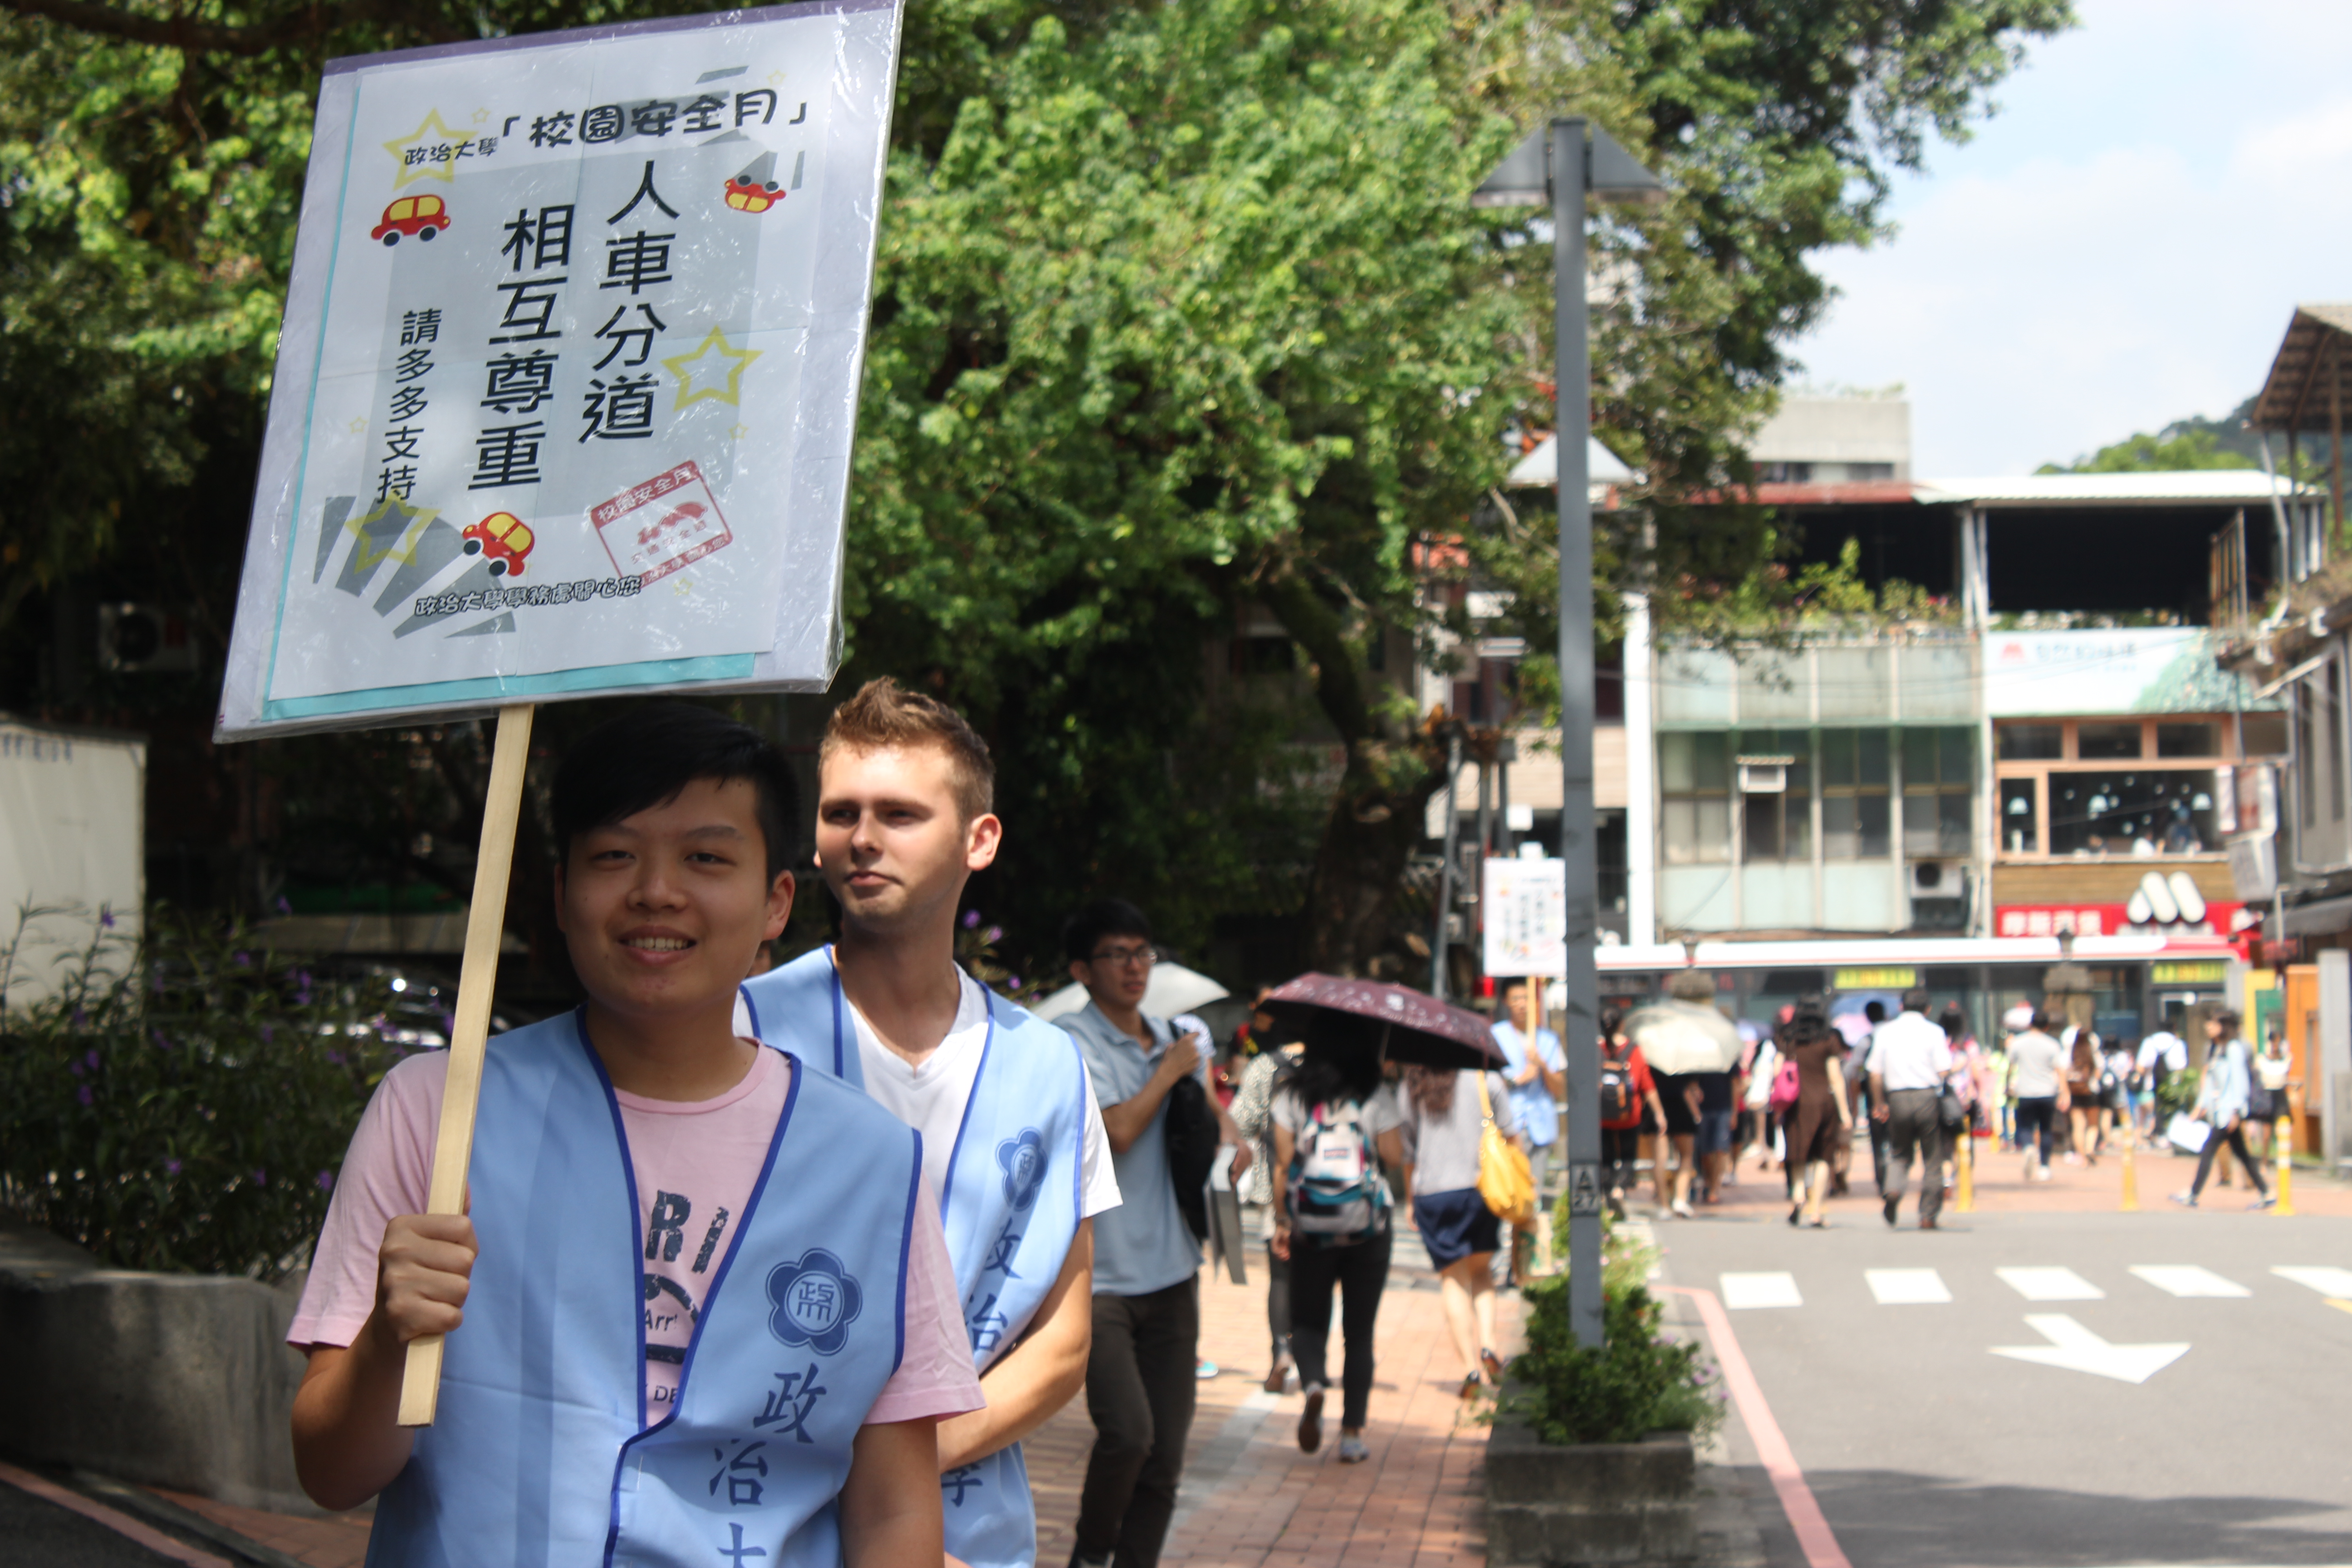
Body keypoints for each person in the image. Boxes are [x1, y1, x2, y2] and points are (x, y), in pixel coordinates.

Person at [287, 704, 980, 1565]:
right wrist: (388, 1341)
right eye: (614, 855)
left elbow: (891, 1512)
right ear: (560, 894)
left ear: (775, 902)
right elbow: (328, 1473)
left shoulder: (870, 1162)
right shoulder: (438, 1112)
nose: (656, 889)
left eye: (705, 857)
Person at [734, 680, 1118, 1568]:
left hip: (970, 1527)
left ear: (979, 839)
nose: (863, 839)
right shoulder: (741, 1032)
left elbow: (1063, 1347)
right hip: (763, 1516)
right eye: (842, 813)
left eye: (901, 813)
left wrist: (900, 1486)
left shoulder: (1047, 1068)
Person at [1057, 899, 1250, 1568]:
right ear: (1084, 969)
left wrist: (1234, 1143)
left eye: (1144, 952)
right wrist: (1168, 1072)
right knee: (1128, 1435)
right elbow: (1118, 1131)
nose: (1137, 967)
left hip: (1173, 1269)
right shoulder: (1072, 1043)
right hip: (1101, 1277)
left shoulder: (1175, 1036)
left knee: (1166, 1455)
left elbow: (1211, 1119)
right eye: (1118, 954)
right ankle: (1090, 1554)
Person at [1269, 1029, 1406, 1465]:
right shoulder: (1374, 1095)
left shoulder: (1292, 1096)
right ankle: (1351, 1436)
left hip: (1312, 1227)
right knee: (1359, 1332)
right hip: (1368, 1228)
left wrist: (1282, 1221)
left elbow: (1283, 1165)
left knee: (1308, 1321)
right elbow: (1396, 1156)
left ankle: (1312, 1385)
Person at [1397, 1061, 1518, 1396]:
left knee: (1452, 1279)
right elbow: (1511, 1135)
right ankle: (1489, 1345)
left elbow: (1408, 1149)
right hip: (1481, 1189)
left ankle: (1471, 1370)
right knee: (1482, 1272)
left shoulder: (1412, 1084)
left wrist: (1410, 1199)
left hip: (1433, 1193)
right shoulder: (1488, 1080)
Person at [1230, 1031, 1305, 1392]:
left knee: (1281, 1278)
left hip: (1276, 1187)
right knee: (1317, 1281)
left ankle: (1281, 1352)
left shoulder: (1264, 1066)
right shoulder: (1336, 1064)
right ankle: (1312, 1362)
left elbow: (1240, 1122)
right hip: (1333, 1192)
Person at [1491, 979, 1564, 1280]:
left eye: (1527, 997)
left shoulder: (1548, 1040)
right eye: (1516, 998)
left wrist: (1543, 1066)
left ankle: (1522, 1264)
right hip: (1506, 1129)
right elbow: (1487, 1082)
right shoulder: (1495, 1037)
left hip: (1539, 1129)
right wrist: (1517, 1079)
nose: (1522, 1003)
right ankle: (1499, 1261)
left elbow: (1559, 1089)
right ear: (1507, 1002)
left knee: (1530, 1198)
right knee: (1504, 1195)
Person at [1865, 989, 1953, 1230]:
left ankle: (1893, 1190)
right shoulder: (1935, 1032)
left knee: (1899, 1153)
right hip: (1927, 1098)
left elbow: (1874, 1073)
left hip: (1897, 1098)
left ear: (1901, 1007)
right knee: (1933, 1159)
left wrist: (1879, 1102)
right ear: (1928, 1009)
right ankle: (1928, 1215)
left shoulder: (1885, 1032)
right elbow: (1944, 1069)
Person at [2172, 1011, 2273, 1210]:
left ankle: (2193, 1193)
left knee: (2209, 1150)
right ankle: (2266, 1192)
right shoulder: (2216, 1049)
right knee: (2242, 1154)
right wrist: (2199, 1108)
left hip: (2228, 1114)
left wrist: (2236, 1112)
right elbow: (2210, 1083)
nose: (2208, 1027)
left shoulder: (2233, 1049)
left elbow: (2240, 1082)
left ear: (2223, 1027)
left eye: (2212, 1023)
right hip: (2219, 1113)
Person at [1779, 995, 1852, 1228]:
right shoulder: (1828, 1039)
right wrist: (1845, 1112)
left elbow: (1777, 1070)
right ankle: (1816, 1210)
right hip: (1824, 1103)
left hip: (1796, 1103)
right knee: (1823, 1156)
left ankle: (1798, 1195)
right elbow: (1836, 1077)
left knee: (1798, 1153)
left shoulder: (1788, 1039)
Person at [1597, 1009, 1666, 1218]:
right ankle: (1621, 1189)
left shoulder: (1596, 1050)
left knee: (1606, 1157)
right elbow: (1647, 1084)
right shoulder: (1633, 1050)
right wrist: (1659, 1113)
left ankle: (1608, 1191)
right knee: (1628, 1156)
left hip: (1602, 1116)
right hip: (1629, 1115)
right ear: (1622, 1024)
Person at [2008, 1011, 2067, 1182]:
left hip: (2025, 1091)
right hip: (2047, 1092)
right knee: (2046, 1129)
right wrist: (2064, 1092)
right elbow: (2060, 1070)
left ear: (2030, 1025)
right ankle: (2045, 1167)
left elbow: (2011, 1066)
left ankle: (2028, 1148)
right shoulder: (2052, 1045)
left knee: (2025, 1127)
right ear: (2047, 1027)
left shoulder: (2017, 1043)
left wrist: (2008, 1085)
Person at [2061, 1024, 2103, 1165]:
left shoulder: (2070, 1054)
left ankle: (2082, 1155)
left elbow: (2063, 1073)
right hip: (2091, 1092)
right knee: (2093, 1125)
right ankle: (2090, 1149)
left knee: (2078, 1126)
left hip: (2075, 1092)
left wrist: (2065, 1092)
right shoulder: (2095, 1054)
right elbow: (2098, 1074)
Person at [2138, 1025, 2188, 1140]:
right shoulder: (2178, 1043)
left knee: (2153, 1111)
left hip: (2150, 1084)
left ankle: (2155, 1134)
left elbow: (2140, 1067)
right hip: (2172, 1085)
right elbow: (2182, 1068)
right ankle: (2169, 1136)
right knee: (2171, 1111)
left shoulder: (2149, 1041)